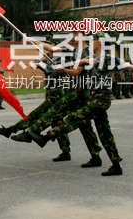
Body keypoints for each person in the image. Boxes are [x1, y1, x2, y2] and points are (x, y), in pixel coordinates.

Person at [27, 49, 133, 176]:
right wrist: (65, 69)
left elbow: (130, 66)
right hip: (93, 96)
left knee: (75, 117)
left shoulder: (107, 59)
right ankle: (115, 165)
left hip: (102, 98)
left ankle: (46, 137)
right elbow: (76, 72)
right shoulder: (89, 60)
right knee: (104, 132)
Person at [7, 33, 104, 168]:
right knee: (82, 124)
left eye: (78, 33)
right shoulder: (73, 50)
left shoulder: (88, 53)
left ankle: (32, 133)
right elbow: (52, 49)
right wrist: (32, 40)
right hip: (74, 90)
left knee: (57, 110)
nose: (74, 35)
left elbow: (77, 72)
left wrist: (63, 70)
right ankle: (95, 156)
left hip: (82, 92)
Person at [0, 51, 74, 162]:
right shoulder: (50, 61)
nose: (47, 52)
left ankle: (13, 131)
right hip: (51, 95)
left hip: (57, 97)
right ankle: (65, 151)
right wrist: (37, 64)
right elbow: (38, 65)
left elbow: (51, 69)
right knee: (57, 122)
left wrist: (42, 65)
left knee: (34, 116)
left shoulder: (65, 60)